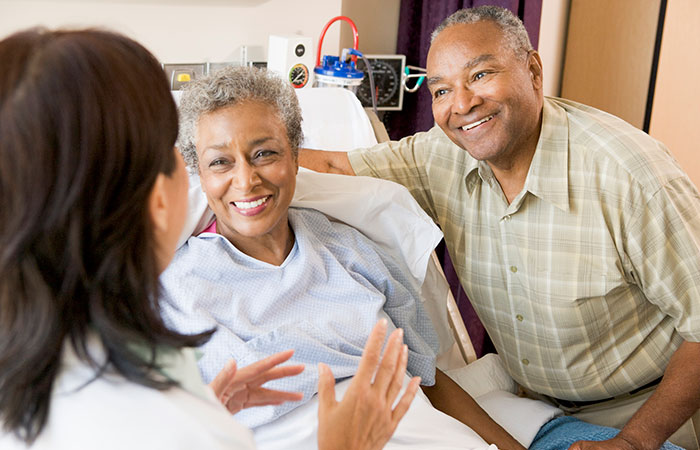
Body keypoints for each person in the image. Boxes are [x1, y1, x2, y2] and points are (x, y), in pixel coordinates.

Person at [299, 5, 700, 450]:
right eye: (441, 90)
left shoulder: (631, 177)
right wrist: (227, 160)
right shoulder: (441, 156)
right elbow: (334, 165)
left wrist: (636, 441)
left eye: (481, 75)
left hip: (652, 408)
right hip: (537, 406)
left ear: (533, 70)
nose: (462, 105)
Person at [0, 28, 422, 450]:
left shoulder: (47, 365)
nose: (243, 179)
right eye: (170, 155)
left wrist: (207, 408)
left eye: (265, 153)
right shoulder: (151, 385)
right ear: (156, 197)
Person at [161, 65, 521, 449]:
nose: (246, 180)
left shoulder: (350, 249)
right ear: (197, 172)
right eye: (220, 162)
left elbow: (426, 375)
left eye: (265, 153)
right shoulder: (177, 288)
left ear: (295, 157)